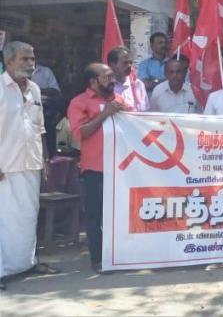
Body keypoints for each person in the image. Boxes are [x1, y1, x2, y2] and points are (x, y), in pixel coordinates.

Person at [0, 42, 57, 289]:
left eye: (32, 58)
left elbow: (40, 127)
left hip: (30, 163)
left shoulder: (34, 89)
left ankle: (25, 263)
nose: (30, 63)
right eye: (24, 59)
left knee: (27, 217)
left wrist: (44, 159)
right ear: (9, 62)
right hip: (5, 165)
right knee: (4, 219)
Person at [67, 63, 132, 272]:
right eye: (107, 77)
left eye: (113, 76)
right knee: (95, 215)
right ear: (93, 82)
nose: (113, 80)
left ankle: (119, 255)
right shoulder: (79, 102)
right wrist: (105, 115)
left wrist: (127, 113)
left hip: (121, 168)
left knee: (120, 214)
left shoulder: (118, 100)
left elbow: (137, 124)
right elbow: (81, 133)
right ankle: (97, 259)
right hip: (95, 168)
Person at [108, 46, 149, 111]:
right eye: (125, 63)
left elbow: (145, 112)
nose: (129, 66)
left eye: (130, 62)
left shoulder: (138, 84)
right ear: (112, 65)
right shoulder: (106, 86)